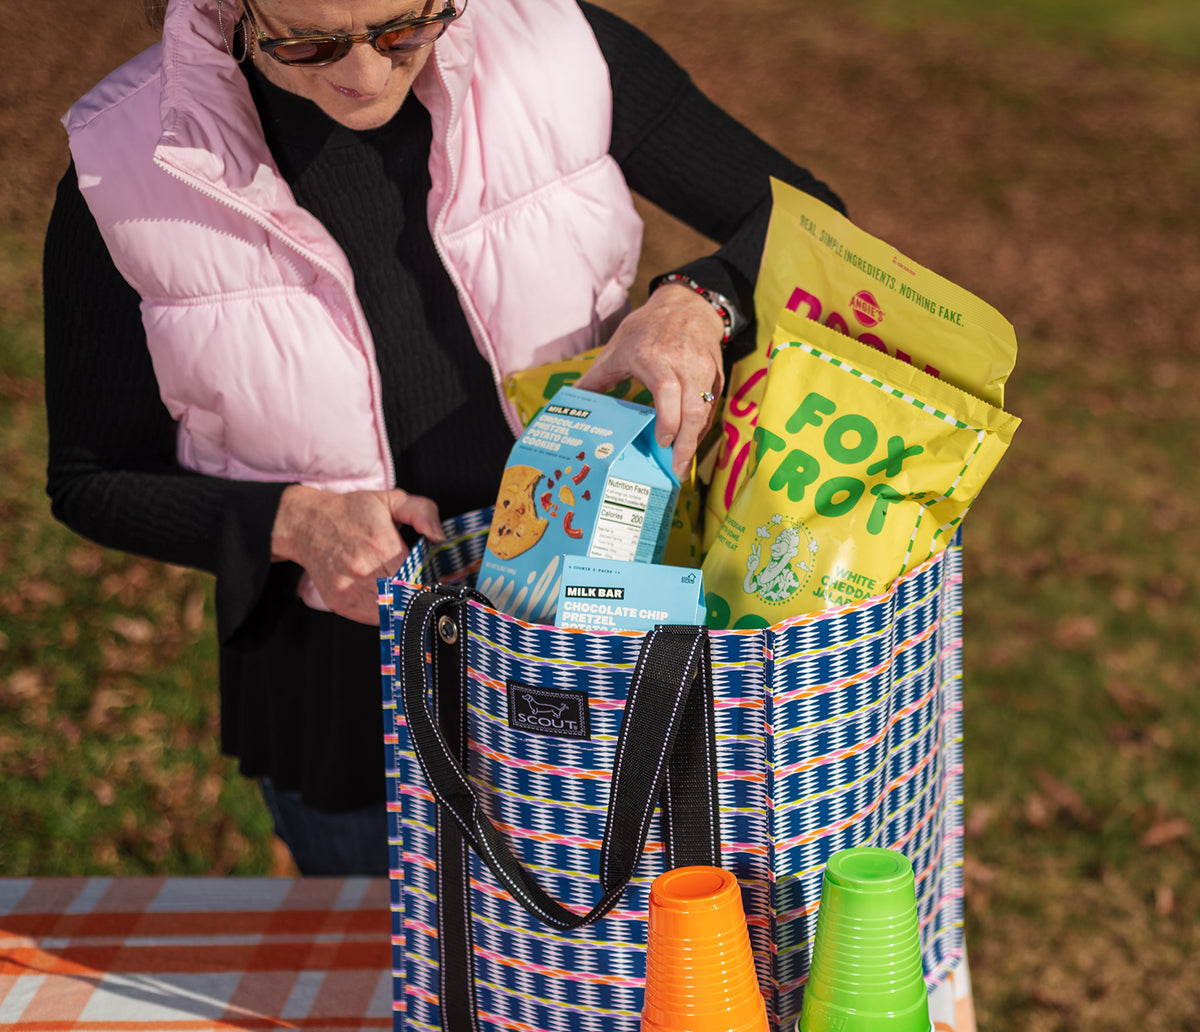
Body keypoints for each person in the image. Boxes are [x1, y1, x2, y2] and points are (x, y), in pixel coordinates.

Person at [43, 0, 844, 875]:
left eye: (404, 29)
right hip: (352, 696)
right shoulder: (124, 167)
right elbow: (93, 476)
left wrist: (701, 300)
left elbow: (809, 221)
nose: (365, 76)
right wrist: (293, 523)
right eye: (305, 43)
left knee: (612, 991)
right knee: (388, 996)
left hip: (602, 647)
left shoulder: (558, 50)